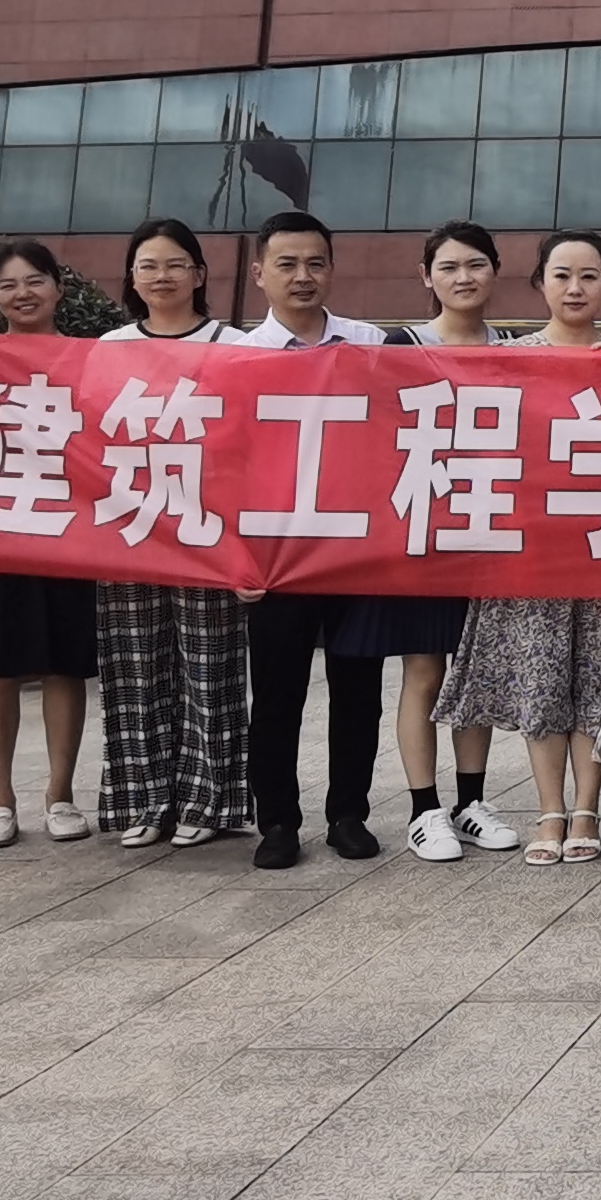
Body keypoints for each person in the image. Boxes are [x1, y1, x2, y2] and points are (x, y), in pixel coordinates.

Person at [438, 232, 601, 865]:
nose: (575, 289)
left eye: (589, 276)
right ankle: (550, 810)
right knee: (542, 680)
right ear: (539, 283)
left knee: (598, 680)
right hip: (530, 554)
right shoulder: (504, 361)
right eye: (562, 276)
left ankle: (588, 810)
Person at [340, 221, 519, 864]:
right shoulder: (403, 345)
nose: (463, 277)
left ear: (495, 270)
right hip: (422, 532)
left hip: (490, 530)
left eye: (475, 264)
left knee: (474, 670)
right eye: (448, 267)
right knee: (424, 670)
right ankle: (424, 809)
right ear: (426, 277)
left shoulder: (518, 351)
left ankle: (472, 802)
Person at [227, 212, 389, 870]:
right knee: (276, 695)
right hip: (275, 554)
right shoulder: (236, 357)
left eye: (315, 263)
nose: (303, 276)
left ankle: (349, 813)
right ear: (259, 272)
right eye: (287, 264)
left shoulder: (371, 345)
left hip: (356, 550)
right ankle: (277, 821)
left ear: (332, 269)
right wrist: (235, 558)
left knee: (358, 690)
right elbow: (223, 466)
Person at [94, 219, 248, 849]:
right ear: (132, 278)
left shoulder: (233, 344)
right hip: (128, 532)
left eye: (176, 264)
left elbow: (252, 442)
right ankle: (144, 800)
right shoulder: (108, 348)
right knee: (134, 670)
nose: (162, 277)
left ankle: (208, 802)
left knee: (211, 670)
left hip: (206, 531)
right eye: (148, 266)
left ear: (200, 274)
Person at [0, 240, 98, 849]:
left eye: (35, 280)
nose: (23, 294)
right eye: (7, 285)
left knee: (64, 664)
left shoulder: (93, 359)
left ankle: (61, 794)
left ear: (59, 287)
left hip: (68, 529)